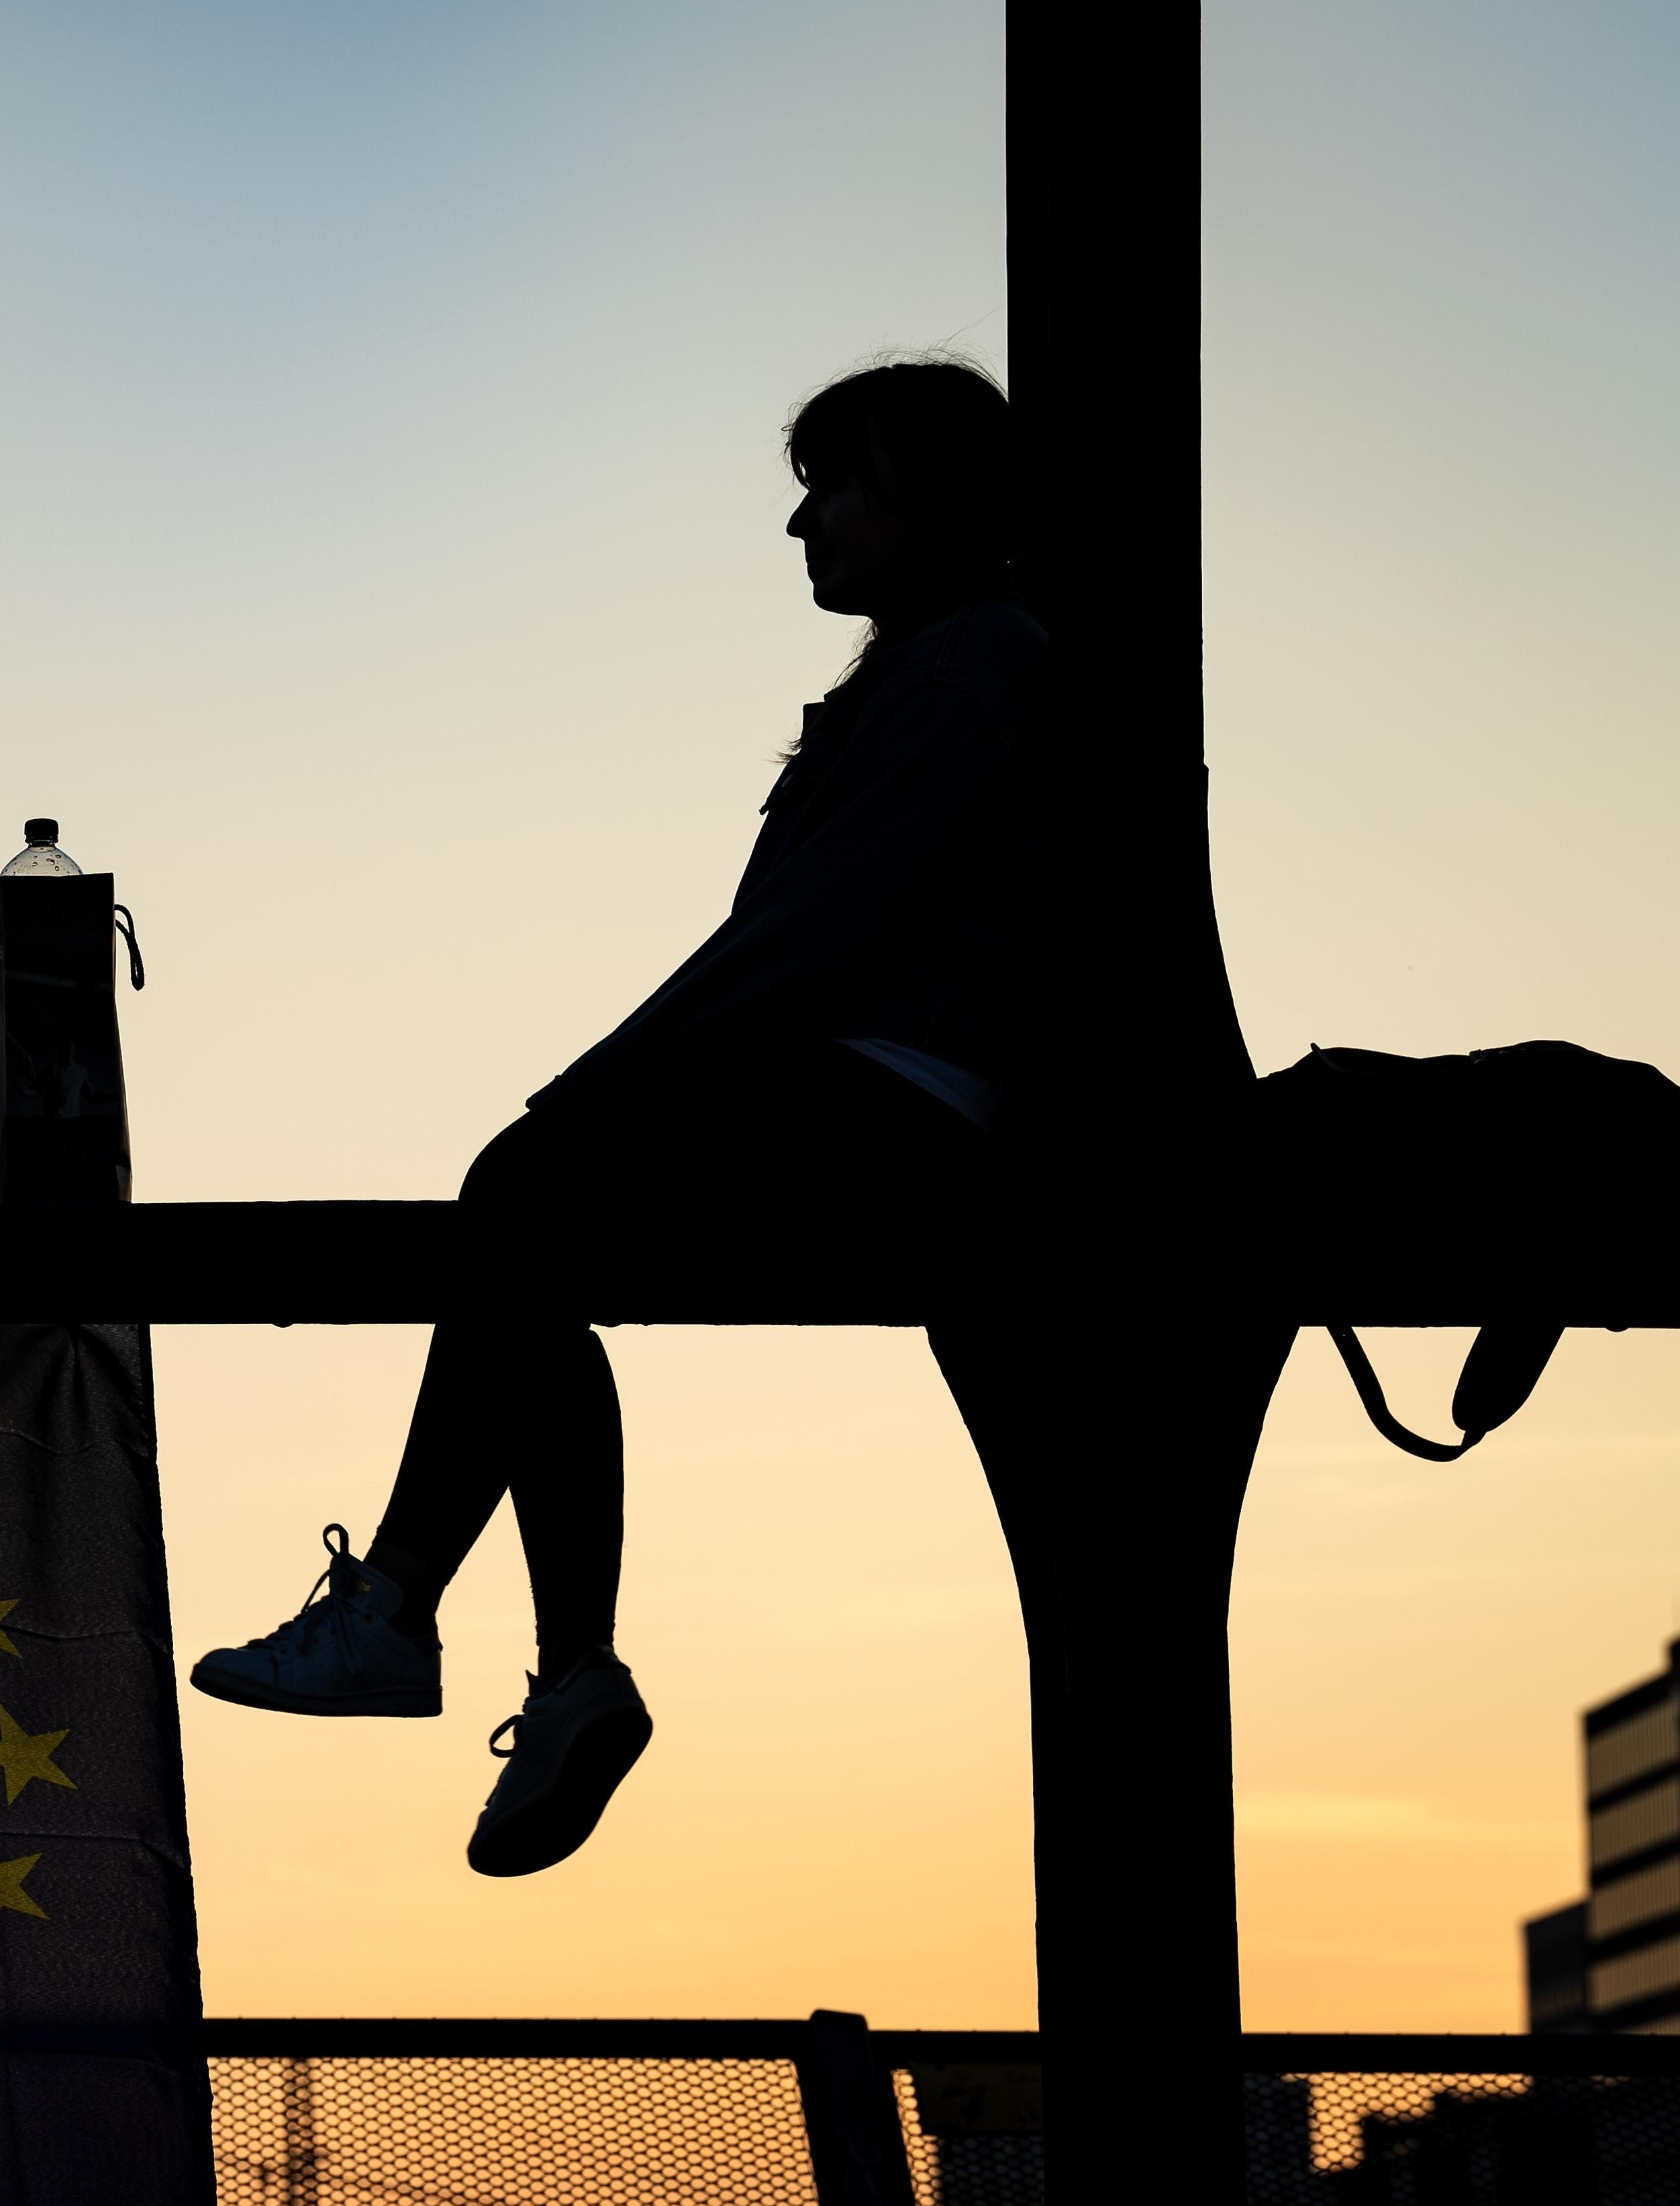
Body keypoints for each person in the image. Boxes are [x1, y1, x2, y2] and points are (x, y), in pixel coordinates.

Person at [191, 356, 1045, 1876]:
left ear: (933, 491)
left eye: (835, 481)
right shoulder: (936, 662)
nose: (800, 520)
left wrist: (606, 1079)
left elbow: (815, 933)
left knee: (525, 1186)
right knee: (525, 1225)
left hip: (896, 1102)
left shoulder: (977, 655)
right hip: (874, 1090)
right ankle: (485, 1640)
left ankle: (448, 1625)